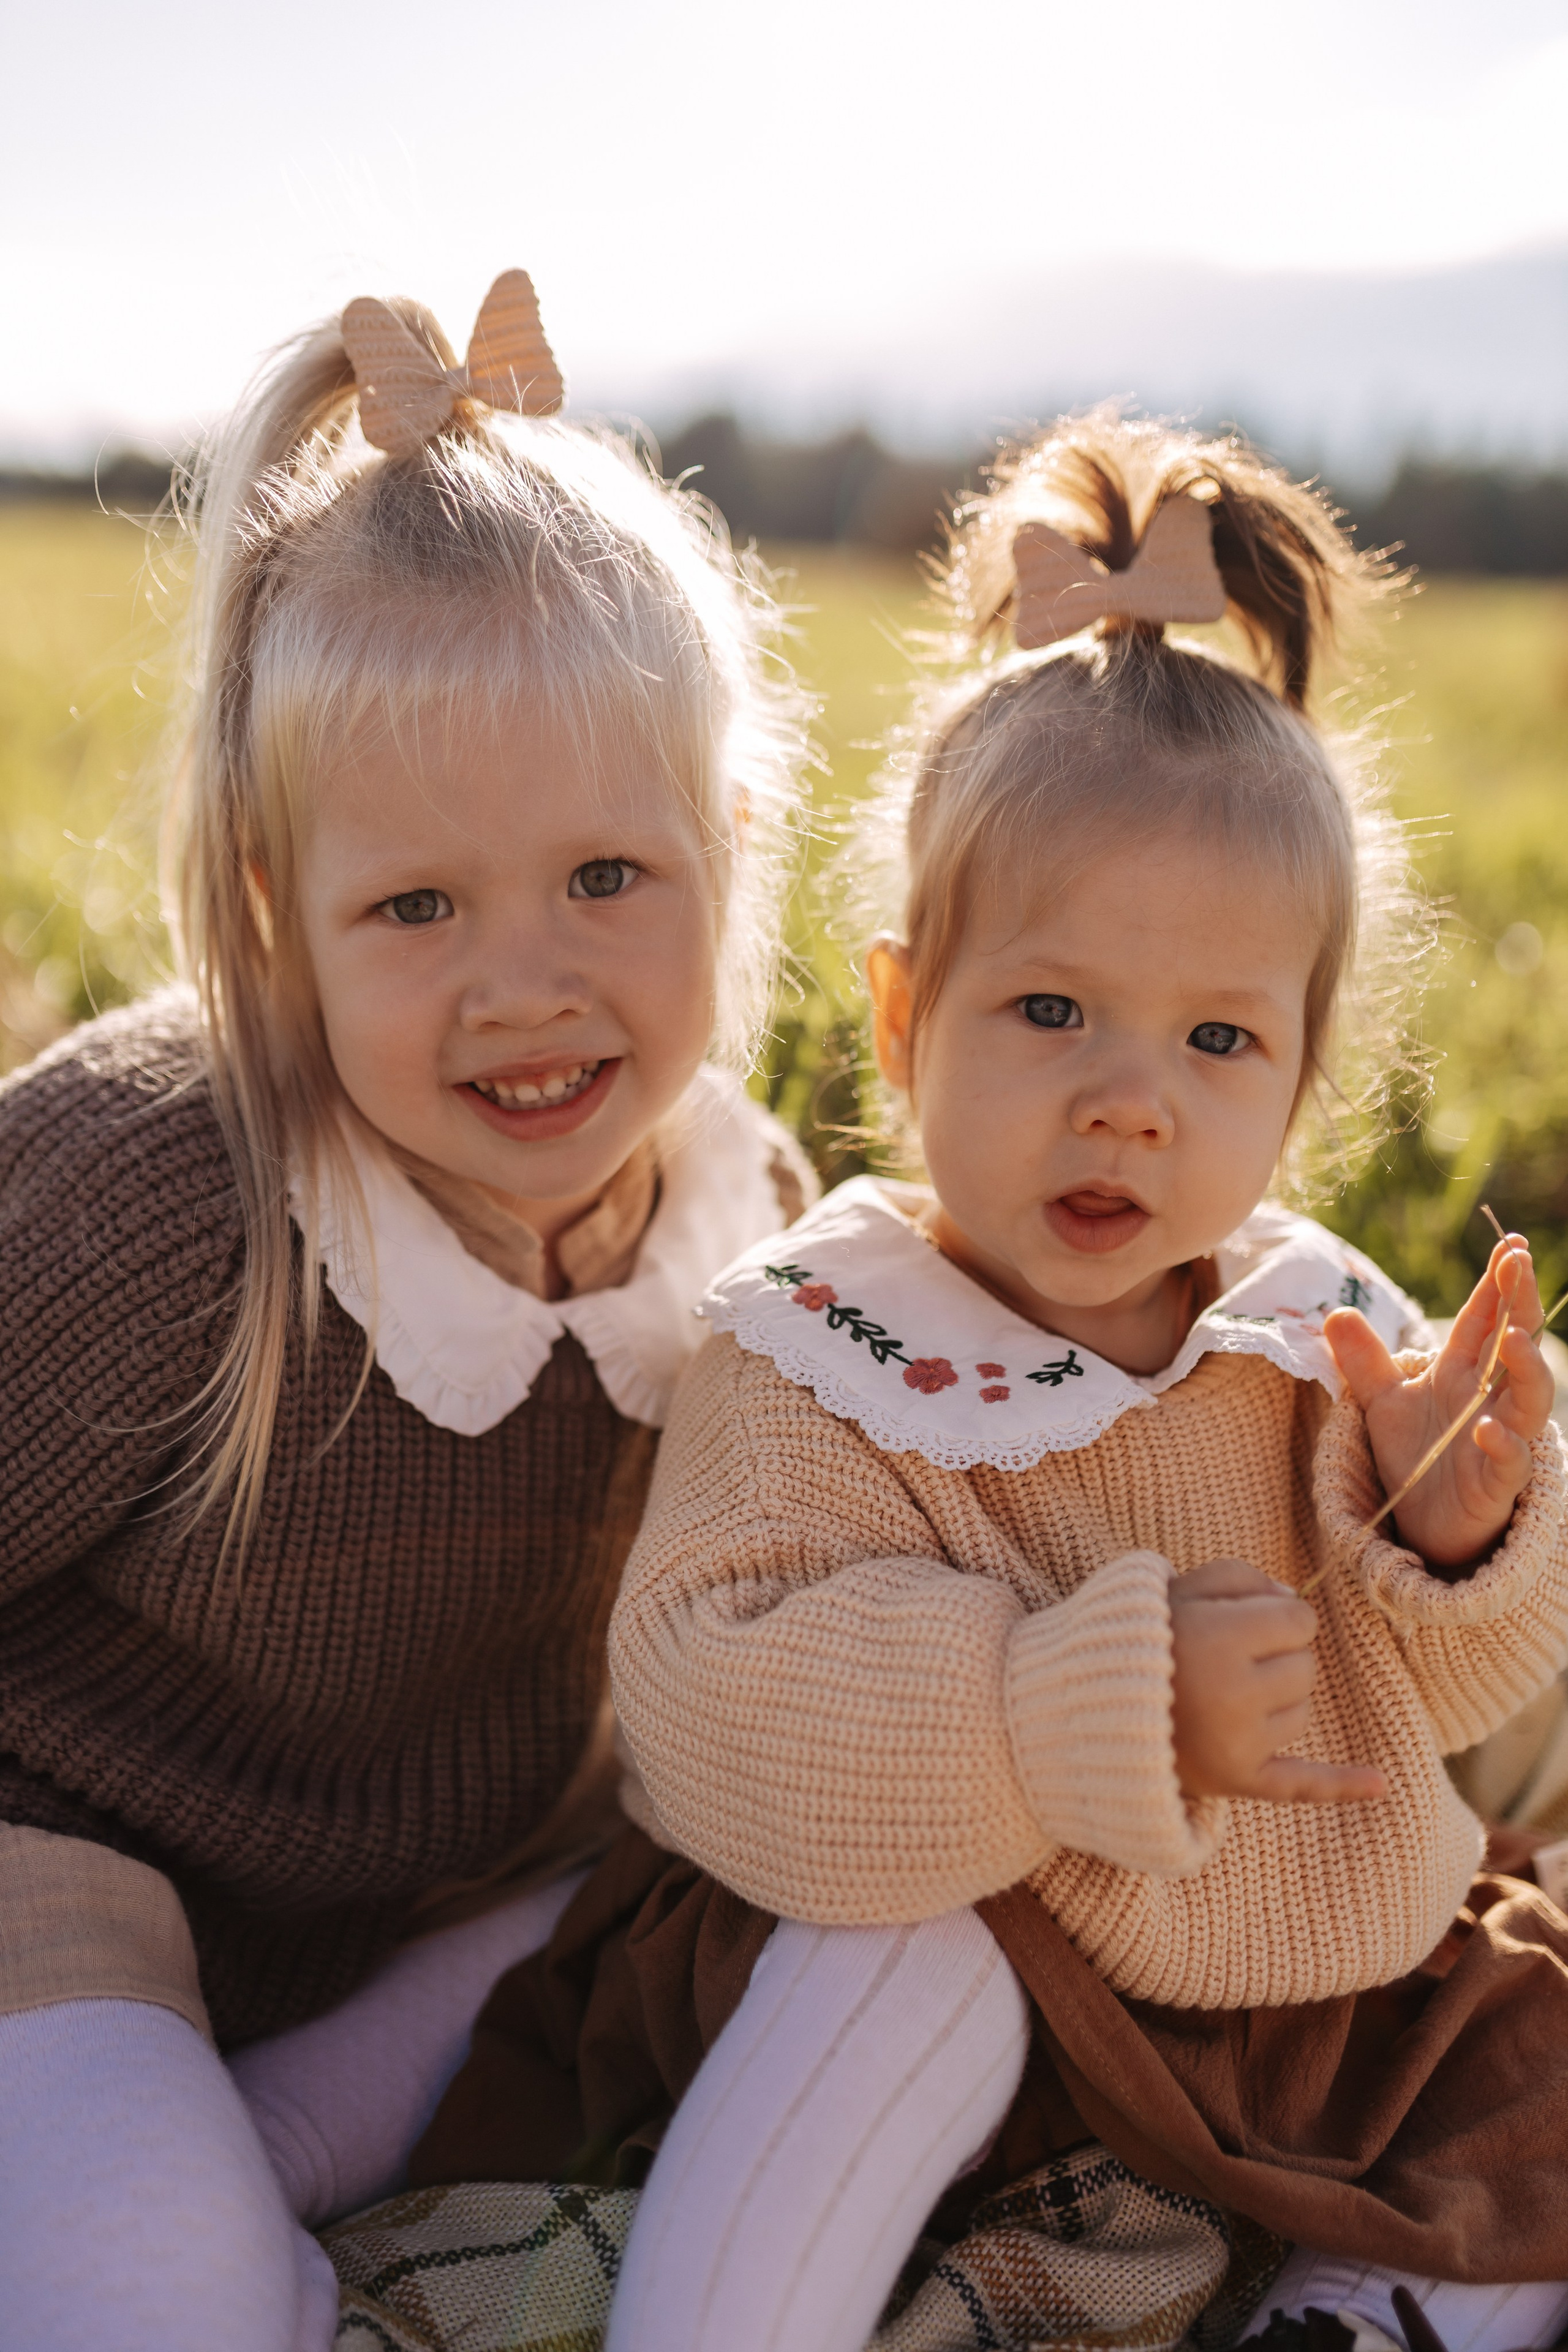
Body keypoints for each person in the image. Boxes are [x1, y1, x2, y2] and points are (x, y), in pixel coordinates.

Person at [575, 418, 1568, 2352]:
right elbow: (702, 1692)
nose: (1133, 1096)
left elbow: (1440, 1712)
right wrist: (1062, 1704)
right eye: (1050, 1012)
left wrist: (1453, 1547)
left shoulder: (1304, 1328)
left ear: (1299, 1076)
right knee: (895, 1989)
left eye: (1217, 1038)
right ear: (899, 1011)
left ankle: (1367, 2312)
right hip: (983, 1976)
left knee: (1528, 2099)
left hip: (1316, 2007)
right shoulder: (827, 1341)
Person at [0, 269, 812, 2352]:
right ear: (278, 916)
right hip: (67, 1862)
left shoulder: (751, 1224)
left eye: (607, 881)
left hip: (430, 1919)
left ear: (729, 851)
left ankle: (255, 2161)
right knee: (147, 2293)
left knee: (766, 1917)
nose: (524, 985)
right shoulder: (169, 1193)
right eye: (418, 907)